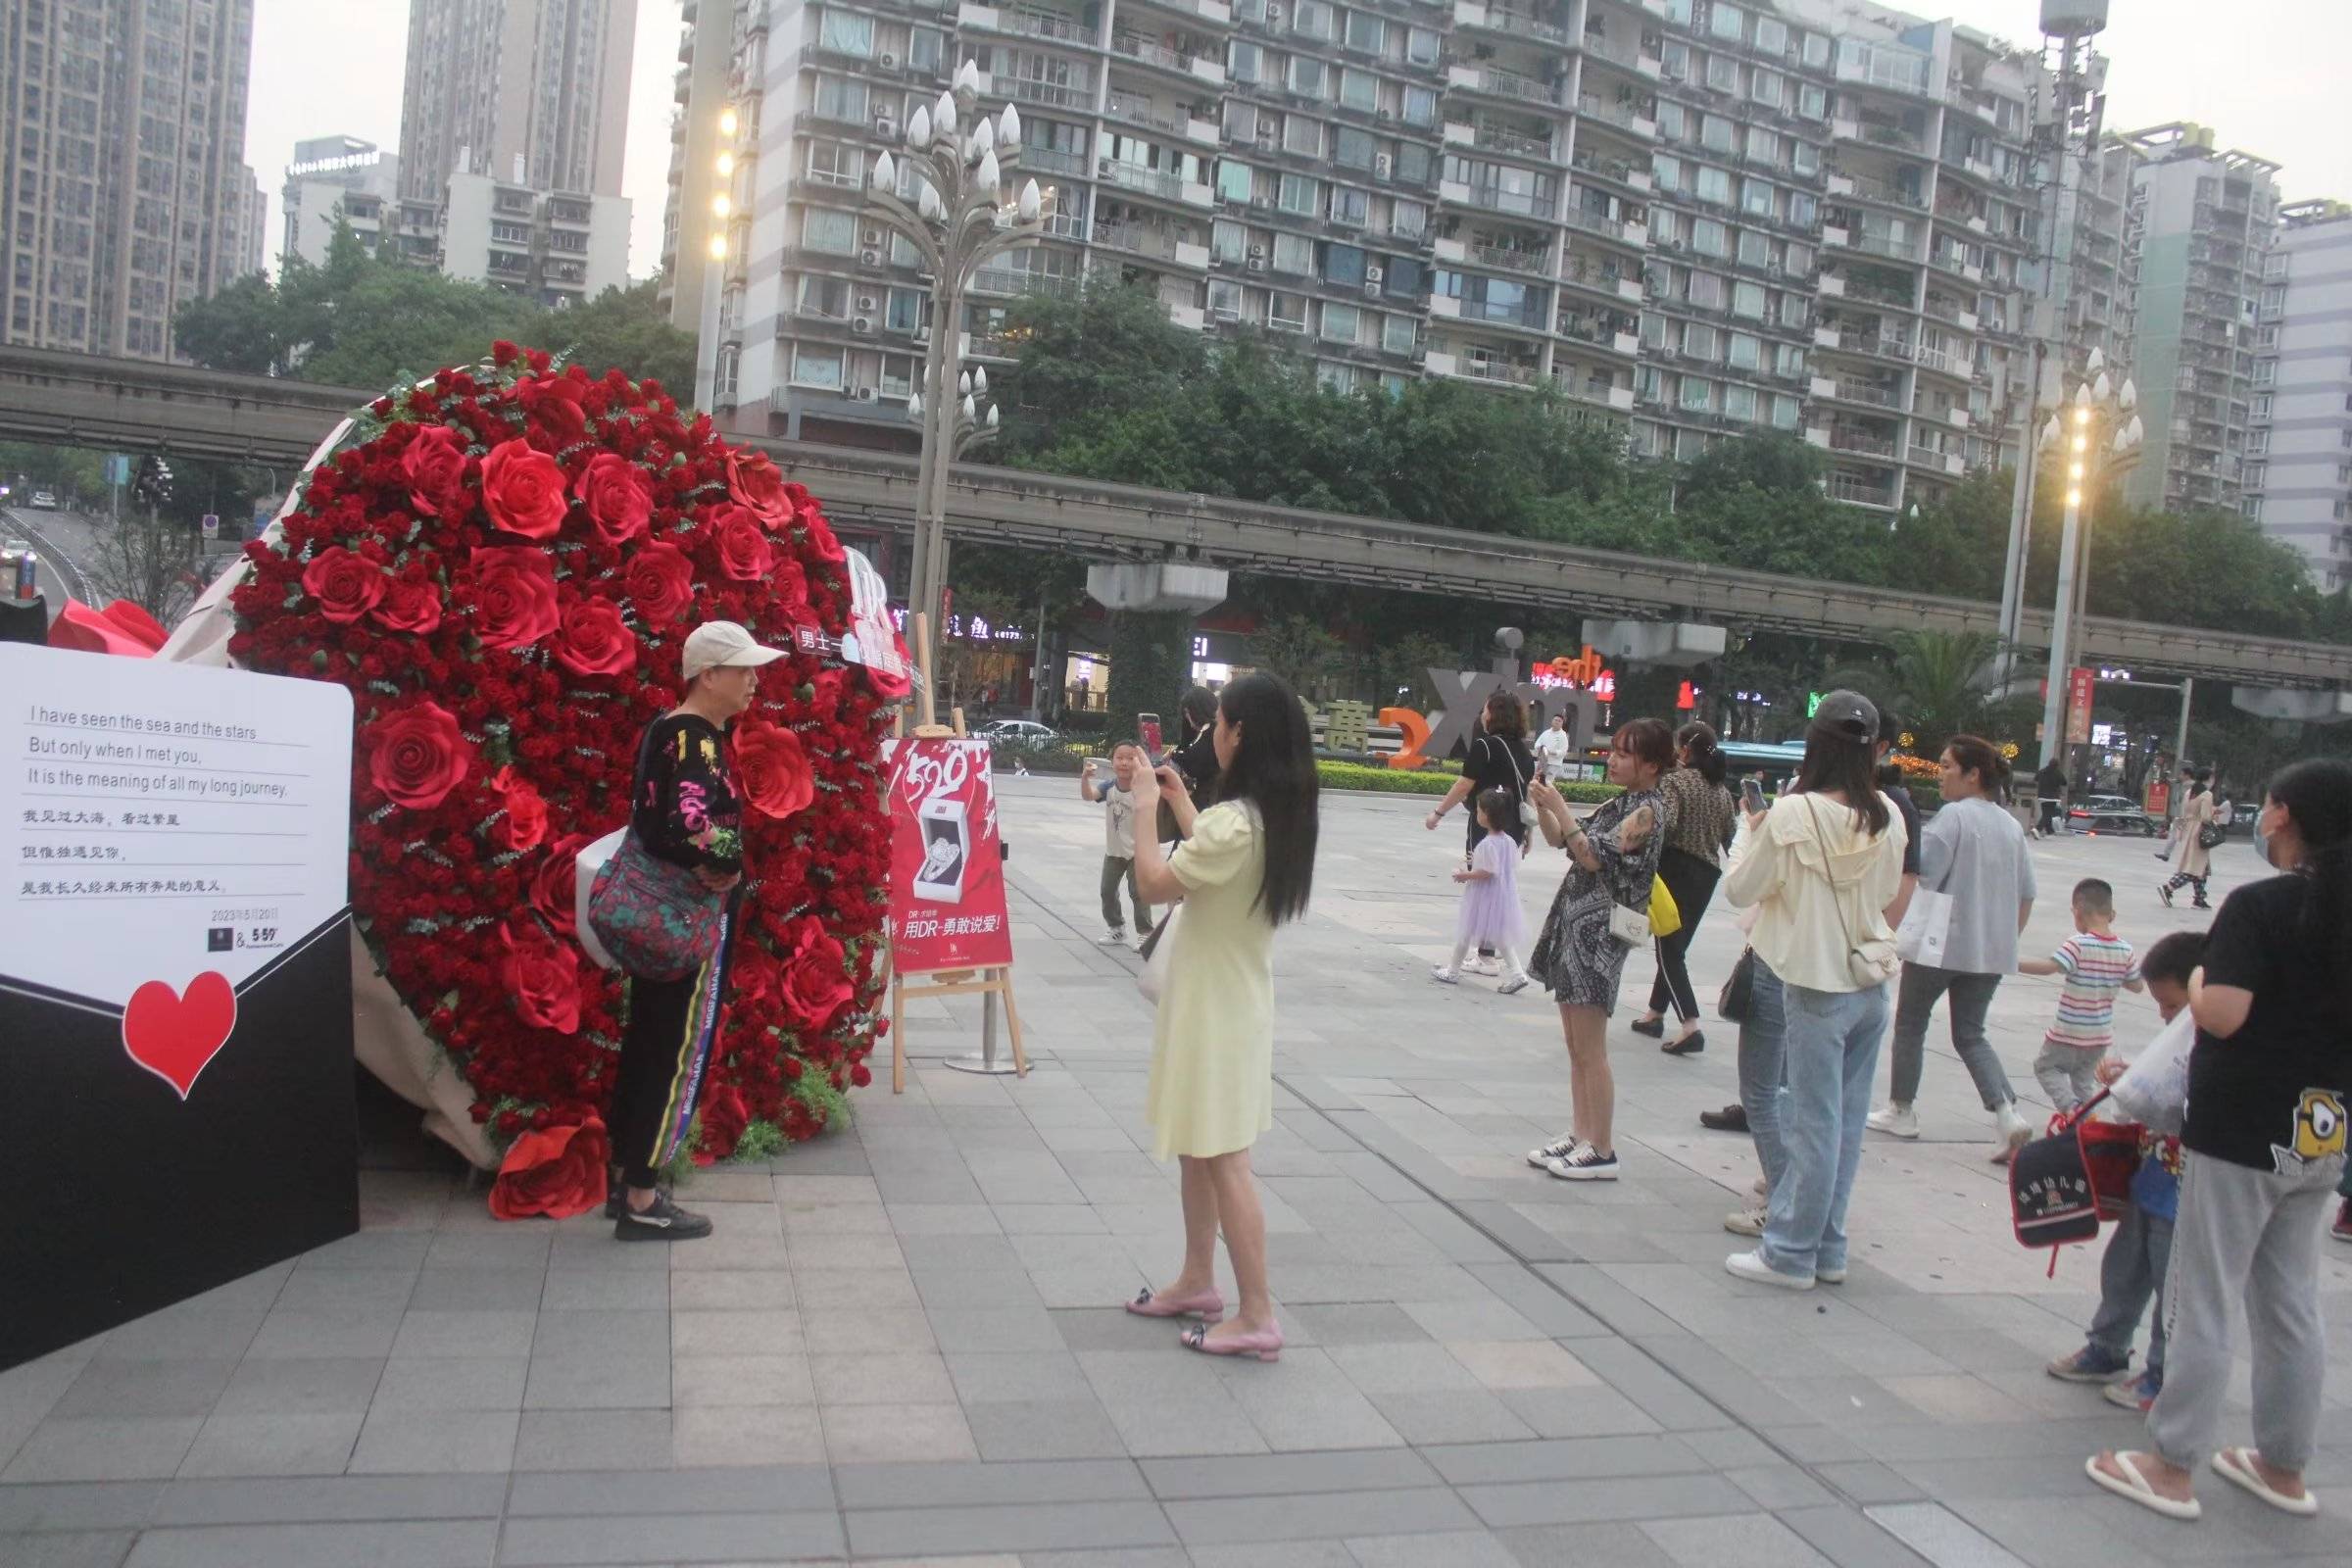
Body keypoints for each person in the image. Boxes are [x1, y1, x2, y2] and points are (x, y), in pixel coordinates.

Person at [2088, 757, 2352, 1522]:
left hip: (2241, 1129)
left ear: (2282, 815)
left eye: (2270, 805)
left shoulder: (2261, 906)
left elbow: (2225, 1013)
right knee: (2291, 1301)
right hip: (2323, 1127)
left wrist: (2200, 984)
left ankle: (2172, 1465)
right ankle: (2282, 1466)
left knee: (2203, 1298)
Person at [1124, 672, 1320, 1362]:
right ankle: (1199, 1280)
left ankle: (1258, 1312)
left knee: (1223, 1157)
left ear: (1241, 734)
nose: (1212, 736)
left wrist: (1145, 805)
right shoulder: (1271, 814)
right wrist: (1179, 804)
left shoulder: (1239, 821)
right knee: (1201, 1148)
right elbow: (1214, 857)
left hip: (1215, 1008)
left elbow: (1152, 883)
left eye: (1220, 726)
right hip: (1226, 1000)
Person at [1717, 692, 1906, 1290]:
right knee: (1844, 1125)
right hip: (1870, 982)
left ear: (1815, 744)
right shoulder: (1891, 816)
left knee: (1810, 1120)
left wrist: (1751, 834)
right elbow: (1883, 896)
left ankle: (1791, 1253)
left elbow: (1742, 891)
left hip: (1816, 983)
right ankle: (1828, 1248)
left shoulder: (1794, 812)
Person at [606, 620, 776, 1242]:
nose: (754, 682)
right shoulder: (697, 739)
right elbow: (691, 824)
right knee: (672, 1051)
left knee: (646, 1040)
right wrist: (728, 864)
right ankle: (644, 1199)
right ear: (709, 676)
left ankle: (626, 1178)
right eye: (744, 670)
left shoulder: (666, 729)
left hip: (657, 917)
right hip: (685, 919)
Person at [2046, 930, 2205, 1414]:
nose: (2163, 1014)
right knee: (2125, 1267)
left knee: (2169, 1283)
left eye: (2171, 1005)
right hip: (2152, 1178)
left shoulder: (2217, 1040)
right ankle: (2108, 1345)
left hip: (2186, 1189)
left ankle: (2162, 1372)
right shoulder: (2182, 1035)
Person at [1866, 735, 2039, 1162]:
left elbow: (1924, 875)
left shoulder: (1953, 818)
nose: (1940, 774)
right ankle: (2007, 1114)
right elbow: (2027, 893)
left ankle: (1901, 1109)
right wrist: (2005, 941)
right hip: (1988, 952)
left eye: (1946, 767)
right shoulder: (2012, 826)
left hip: (1938, 946)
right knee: (1971, 1034)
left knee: (1910, 1023)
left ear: (1972, 774)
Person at [1521, 718, 1672, 1181]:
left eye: (1625, 754)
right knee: (1575, 1043)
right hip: (1578, 926)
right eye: (1616, 751)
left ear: (1651, 765)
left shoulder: (1647, 811)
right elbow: (1563, 839)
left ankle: (1601, 1147)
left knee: (1590, 1047)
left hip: (1600, 937)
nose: (1614, 759)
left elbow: (1591, 855)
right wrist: (1543, 808)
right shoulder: (1622, 803)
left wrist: (1560, 807)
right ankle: (1581, 1132)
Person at [1631, 722, 1738, 1055]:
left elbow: (1668, 823)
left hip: (1675, 870)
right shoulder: (1721, 791)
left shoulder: (1675, 782)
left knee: (1668, 949)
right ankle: (1654, 1014)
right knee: (1675, 946)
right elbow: (1731, 836)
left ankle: (1690, 1024)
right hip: (1706, 875)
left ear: (1685, 751)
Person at [1425, 691, 1535, 971]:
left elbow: (1464, 785)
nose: (1482, 714)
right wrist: (1529, 832)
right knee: (1500, 885)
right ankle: (1487, 952)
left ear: (1494, 714)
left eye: (1485, 709)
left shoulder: (1484, 746)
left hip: (1486, 825)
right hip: (1515, 827)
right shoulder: (1524, 750)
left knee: (1484, 885)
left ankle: (1485, 957)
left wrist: (1438, 813)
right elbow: (1527, 793)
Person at [2018, 878, 2143, 1113]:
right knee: (2083, 1082)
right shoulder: (2125, 950)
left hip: (2068, 1031)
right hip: (2099, 1036)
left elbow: (2049, 967)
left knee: (2045, 1068)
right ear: (2112, 914)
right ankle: (2087, 1124)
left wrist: (2014, 964)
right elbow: (2137, 985)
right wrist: (2113, 973)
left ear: (2077, 912)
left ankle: (2071, 1109)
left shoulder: (2078, 944)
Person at [1434, 788, 1533, 993]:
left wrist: (1465, 875)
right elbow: (1508, 867)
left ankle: (1452, 970)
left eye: (1478, 810)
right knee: (1502, 937)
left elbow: (1488, 872)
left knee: (1466, 932)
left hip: (1483, 895)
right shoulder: (1509, 841)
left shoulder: (1488, 844)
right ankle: (1517, 973)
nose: (1476, 814)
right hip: (1503, 894)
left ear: (1487, 815)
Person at [1080, 744, 1154, 947]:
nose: (1124, 763)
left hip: (1137, 852)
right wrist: (1085, 778)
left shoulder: (1142, 789)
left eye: (1130, 758)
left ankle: (1146, 933)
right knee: (1107, 890)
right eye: (1119, 757)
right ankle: (1117, 928)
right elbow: (1088, 795)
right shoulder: (1109, 787)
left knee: (1138, 893)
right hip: (1114, 851)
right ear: (1112, 761)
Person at [2161, 769, 2218, 910]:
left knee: (2201, 868)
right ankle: (2168, 887)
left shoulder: (2189, 792)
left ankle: (2199, 899)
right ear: (2209, 778)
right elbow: (2205, 817)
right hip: (2199, 831)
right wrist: (2214, 816)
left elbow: (2184, 812)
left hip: (2188, 829)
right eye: (2213, 778)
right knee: (2194, 867)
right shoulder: (2206, 794)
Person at [1534, 712, 1573, 782]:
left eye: (1559, 721)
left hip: (1554, 764)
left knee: (1547, 782)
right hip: (1542, 762)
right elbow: (1537, 744)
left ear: (1562, 723)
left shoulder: (1563, 736)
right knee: (1536, 780)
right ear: (1552, 721)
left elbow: (1563, 752)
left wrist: (1552, 752)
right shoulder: (1546, 733)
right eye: (1555, 720)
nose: (1557, 722)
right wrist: (1542, 749)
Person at [2035, 758, 2068, 839]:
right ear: (2057, 765)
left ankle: (2050, 832)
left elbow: (2036, 778)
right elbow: (2064, 782)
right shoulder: (2058, 773)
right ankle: (2037, 829)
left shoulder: (2042, 771)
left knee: (2046, 813)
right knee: (2047, 814)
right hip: (2053, 797)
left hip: (2042, 796)